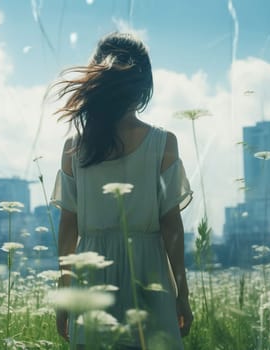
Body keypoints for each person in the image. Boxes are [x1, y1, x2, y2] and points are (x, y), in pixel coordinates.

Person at [50, 32, 193, 349]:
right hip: (149, 275)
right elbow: (171, 225)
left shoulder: (75, 147)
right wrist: (182, 295)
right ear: (144, 85)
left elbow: (68, 227)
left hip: (92, 279)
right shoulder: (163, 143)